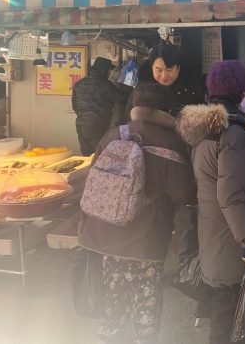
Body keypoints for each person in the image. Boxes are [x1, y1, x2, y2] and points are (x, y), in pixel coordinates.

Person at [78, 83, 197, 344]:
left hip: (105, 236)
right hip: (145, 240)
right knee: (146, 305)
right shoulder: (170, 142)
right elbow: (184, 193)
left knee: (113, 301)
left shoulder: (113, 135)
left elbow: (92, 181)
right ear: (167, 111)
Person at [176, 60, 245, 344]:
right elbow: (230, 195)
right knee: (229, 313)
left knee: (222, 309)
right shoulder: (233, 133)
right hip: (231, 236)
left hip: (213, 228)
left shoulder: (203, 131)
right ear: (238, 95)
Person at [126, 44, 203, 266]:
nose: (163, 75)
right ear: (151, 67)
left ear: (178, 68)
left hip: (183, 163)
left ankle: (187, 267)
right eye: (158, 69)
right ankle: (150, 264)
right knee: (153, 217)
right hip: (149, 166)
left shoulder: (192, 91)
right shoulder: (140, 91)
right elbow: (127, 124)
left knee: (189, 216)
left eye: (169, 70)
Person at [72, 57, 126, 156]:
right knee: (100, 155)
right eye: (109, 70)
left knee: (87, 156)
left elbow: (75, 106)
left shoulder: (79, 84)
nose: (109, 73)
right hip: (98, 125)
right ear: (104, 70)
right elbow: (122, 98)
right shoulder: (104, 84)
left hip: (81, 125)